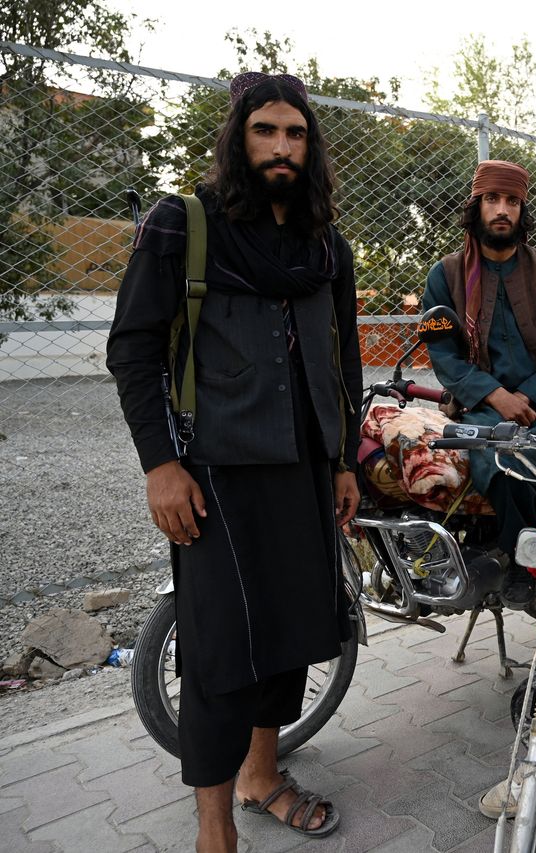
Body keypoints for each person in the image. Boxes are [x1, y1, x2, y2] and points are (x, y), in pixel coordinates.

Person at [106, 72, 361, 851]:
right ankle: (214, 832)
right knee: (220, 656)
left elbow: (342, 358)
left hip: (306, 469)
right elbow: (132, 349)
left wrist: (344, 460)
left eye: (295, 133)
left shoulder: (326, 246)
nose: (282, 147)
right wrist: (160, 465)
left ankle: (261, 775)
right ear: (238, 137)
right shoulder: (183, 226)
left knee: (292, 637)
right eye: (266, 131)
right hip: (214, 472)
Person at [422, 160, 536, 605]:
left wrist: (526, 397)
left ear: (522, 210)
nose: (502, 210)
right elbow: (444, 357)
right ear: (476, 206)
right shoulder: (446, 275)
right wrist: (496, 396)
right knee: (504, 468)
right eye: (492, 199)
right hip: (484, 408)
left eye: (512, 201)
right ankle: (518, 561)